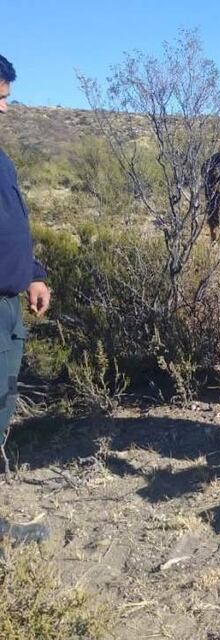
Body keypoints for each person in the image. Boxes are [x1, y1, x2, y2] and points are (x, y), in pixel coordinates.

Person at [0, 54, 52, 475]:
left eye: (5, 98)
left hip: (9, 305)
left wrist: (33, 274)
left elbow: (12, 223)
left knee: (3, 398)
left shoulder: (3, 161)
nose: (3, 108)